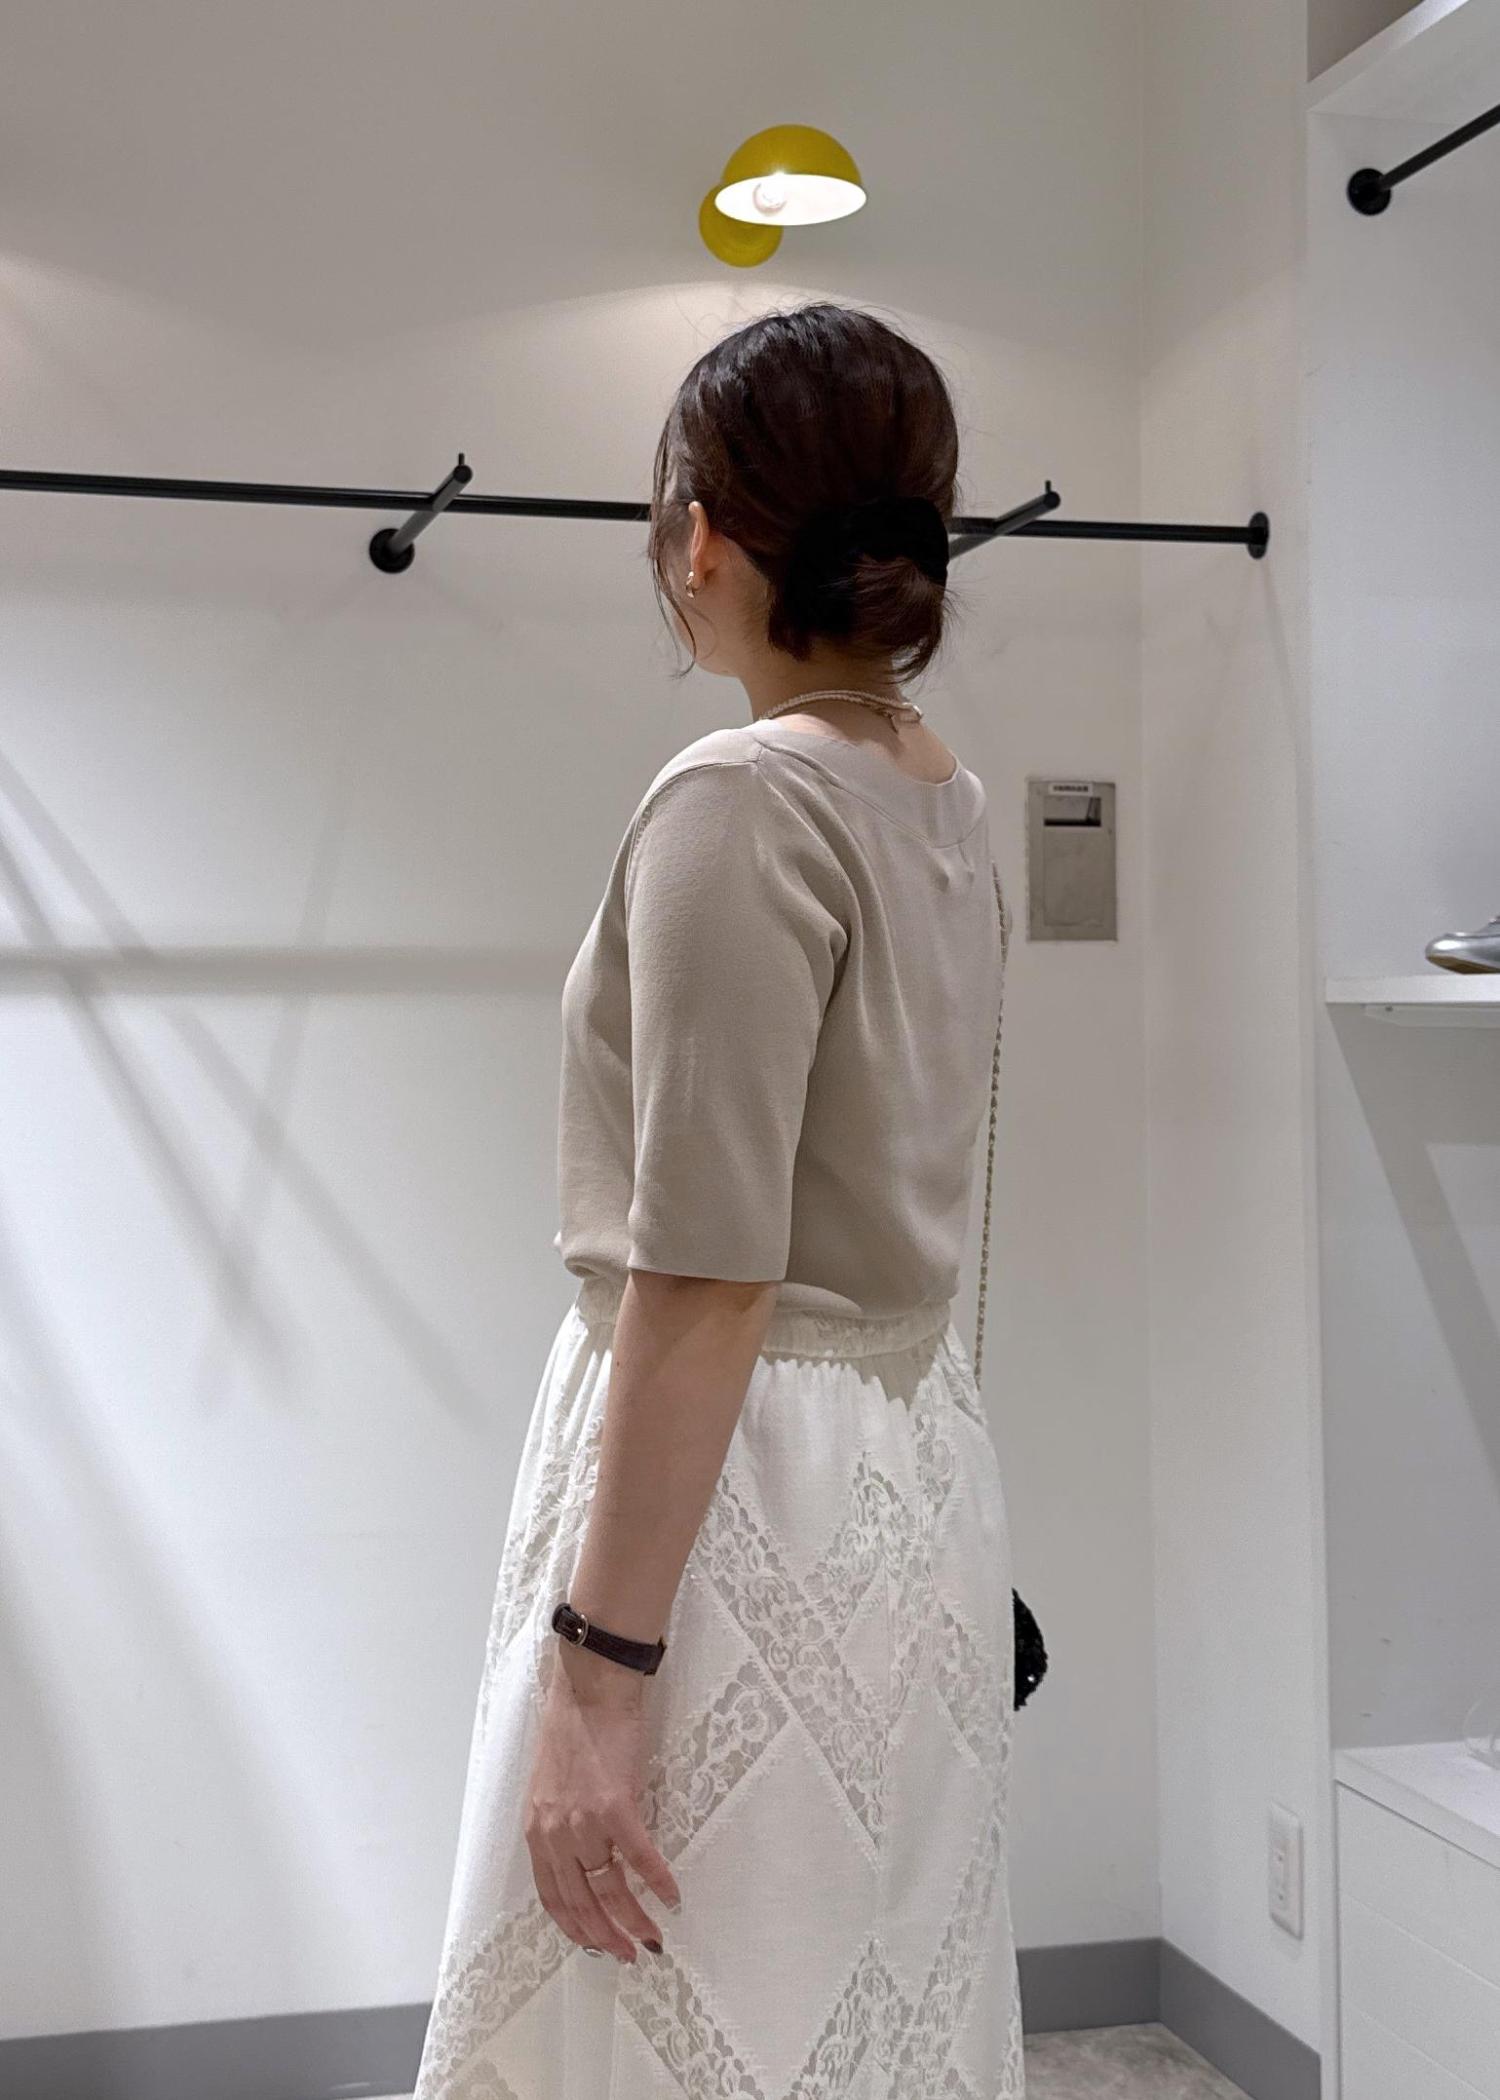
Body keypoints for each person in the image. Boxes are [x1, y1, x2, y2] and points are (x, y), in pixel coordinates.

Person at [411, 300, 1023, 2099]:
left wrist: (597, 1678)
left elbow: (705, 1274)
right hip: (904, 1468)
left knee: (675, 2001)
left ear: (700, 537)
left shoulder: (739, 801)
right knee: (847, 1995)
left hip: (736, 1494)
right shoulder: (938, 796)